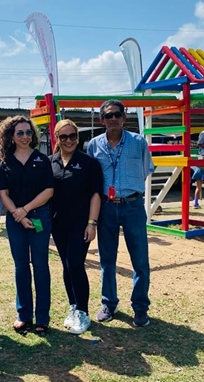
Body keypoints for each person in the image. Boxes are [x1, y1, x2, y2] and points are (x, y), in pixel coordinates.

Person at [85, 100, 154, 327]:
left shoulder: (138, 142)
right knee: (107, 259)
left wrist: (127, 191)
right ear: (102, 119)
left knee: (140, 260)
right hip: (105, 207)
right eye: (108, 115)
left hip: (132, 205)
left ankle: (140, 308)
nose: (113, 118)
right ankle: (109, 303)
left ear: (124, 117)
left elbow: (145, 171)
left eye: (117, 114)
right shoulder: (93, 145)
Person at [0, 116, 54, 336]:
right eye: (19, 133)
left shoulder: (42, 160)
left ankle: (42, 317)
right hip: (15, 220)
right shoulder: (5, 161)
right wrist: (18, 215)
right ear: (11, 135)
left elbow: (49, 190)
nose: (24, 137)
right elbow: (3, 193)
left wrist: (25, 210)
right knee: (21, 267)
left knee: (40, 266)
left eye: (28, 132)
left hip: (39, 217)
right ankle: (24, 315)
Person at [49, 119, 102, 335]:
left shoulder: (89, 163)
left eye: (72, 136)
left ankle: (83, 311)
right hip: (57, 224)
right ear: (57, 139)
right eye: (63, 137)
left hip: (81, 224)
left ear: (77, 138)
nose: (68, 140)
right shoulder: (50, 162)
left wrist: (92, 223)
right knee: (66, 266)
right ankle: (73, 306)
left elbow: (96, 194)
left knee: (76, 265)